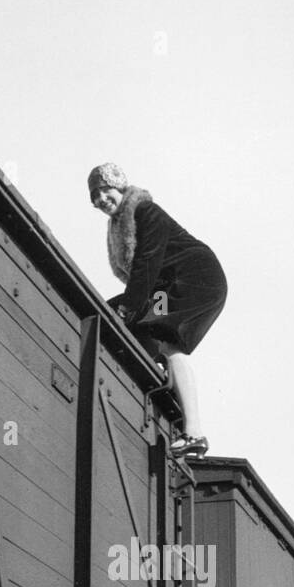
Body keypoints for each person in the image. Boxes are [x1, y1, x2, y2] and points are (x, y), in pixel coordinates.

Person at [88, 162, 227, 456]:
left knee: (168, 339)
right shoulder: (118, 224)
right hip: (167, 283)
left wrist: (126, 309)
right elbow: (144, 277)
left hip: (194, 277)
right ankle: (173, 401)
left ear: (119, 186)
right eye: (95, 198)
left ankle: (194, 432)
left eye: (104, 191)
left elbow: (146, 264)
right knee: (151, 330)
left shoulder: (145, 212)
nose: (101, 200)